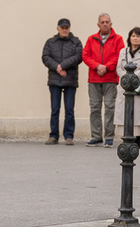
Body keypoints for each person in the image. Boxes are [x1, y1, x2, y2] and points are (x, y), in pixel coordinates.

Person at [82, 13, 124, 147]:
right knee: (94, 108)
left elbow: (119, 56)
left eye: (107, 22)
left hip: (110, 78)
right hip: (94, 79)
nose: (105, 24)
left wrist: (106, 67)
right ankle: (96, 136)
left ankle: (109, 137)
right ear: (98, 25)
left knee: (110, 108)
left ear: (111, 24)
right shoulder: (91, 39)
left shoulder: (118, 39)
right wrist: (97, 66)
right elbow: (85, 55)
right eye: (102, 22)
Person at [42, 17, 83, 145]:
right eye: (62, 28)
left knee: (69, 109)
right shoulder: (50, 42)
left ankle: (69, 136)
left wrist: (62, 66)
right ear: (58, 28)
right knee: (55, 109)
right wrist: (57, 68)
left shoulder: (76, 42)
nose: (65, 30)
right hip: (55, 80)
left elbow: (78, 57)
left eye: (67, 28)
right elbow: (45, 57)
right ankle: (53, 135)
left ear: (69, 29)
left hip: (70, 79)